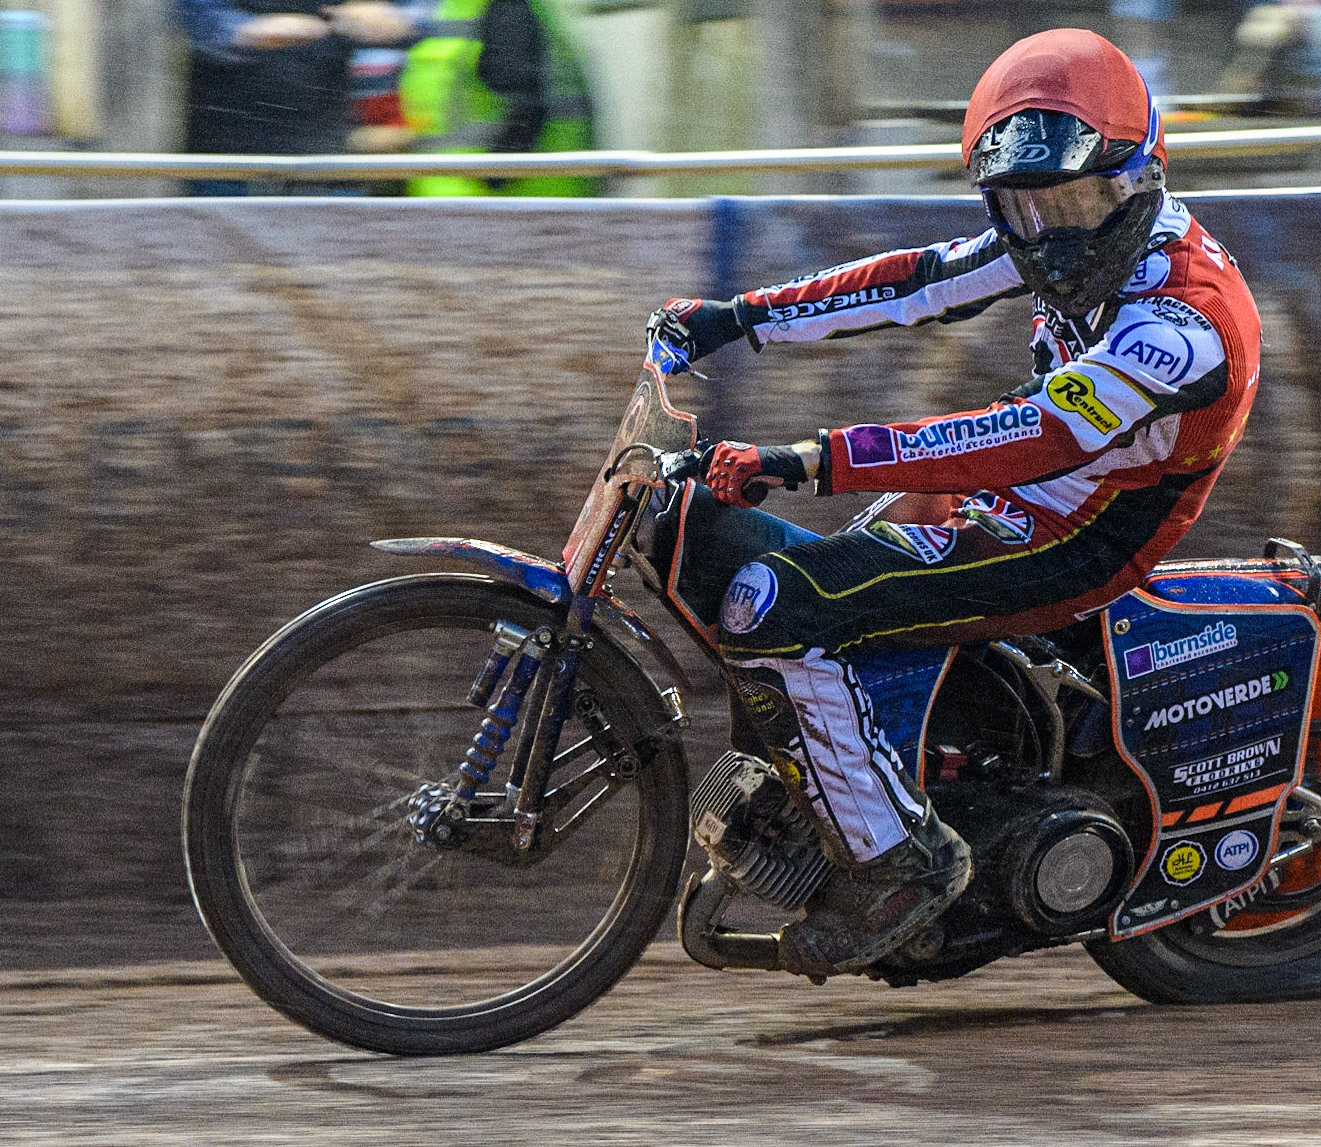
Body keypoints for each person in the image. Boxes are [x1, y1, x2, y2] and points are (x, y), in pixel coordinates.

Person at [645, 28, 1263, 980]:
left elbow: (1035, 436)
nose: (1047, 225)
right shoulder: (1054, 237)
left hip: (1079, 538)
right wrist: (738, 318)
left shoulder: (1184, 323)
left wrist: (811, 459)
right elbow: (918, 281)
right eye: (1022, 203)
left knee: (775, 602)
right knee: (697, 530)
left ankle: (901, 864)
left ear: (1137, 178)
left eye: (1071, 196)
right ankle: (838, 795)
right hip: (1008, 498)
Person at [179, 0, 420, 194]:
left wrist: (390, 17)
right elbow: (200, 21)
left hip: (328, 156)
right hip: (229, 157)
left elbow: (416, 20)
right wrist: (245, 30)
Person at [397, 0, 597, 197]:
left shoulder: (506, 7)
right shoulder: (462, 8)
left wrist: (491, 179)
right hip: (469, 202)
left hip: (499, 206)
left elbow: (524, 107)